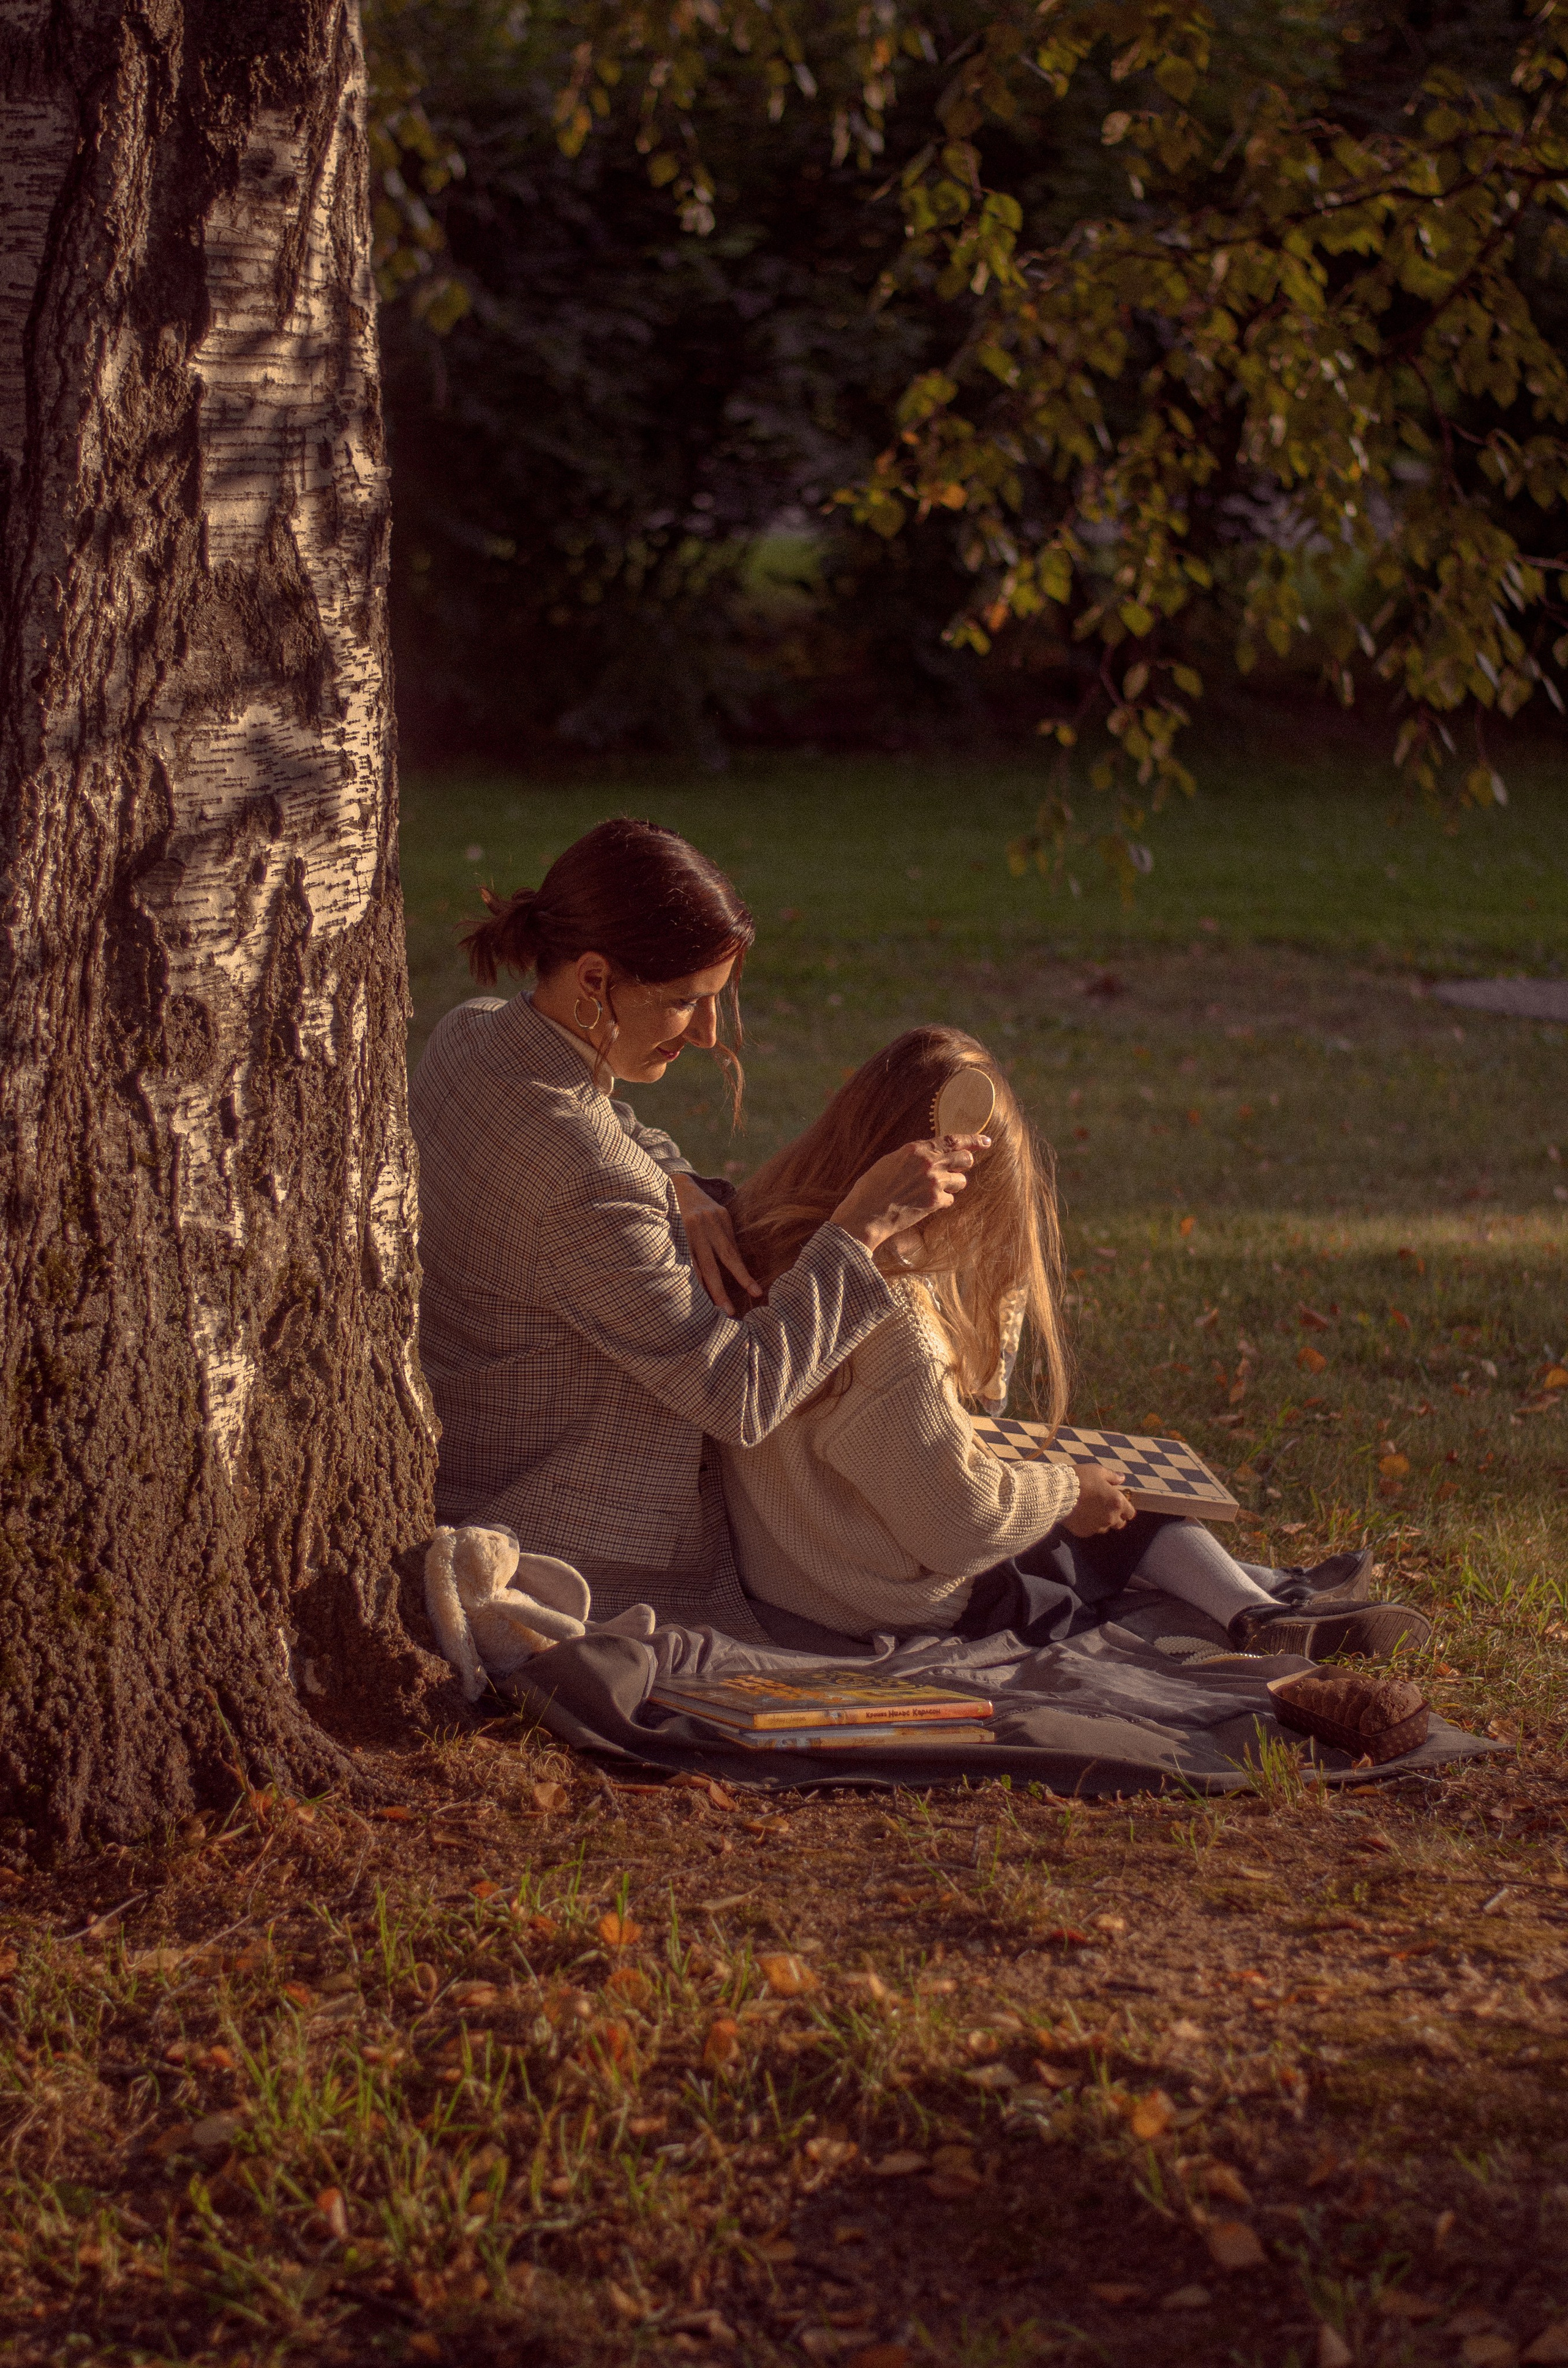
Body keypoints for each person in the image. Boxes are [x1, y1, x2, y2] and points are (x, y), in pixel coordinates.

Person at [409, 819, 981, 1634]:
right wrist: (860, 1227)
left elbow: (604, 1126)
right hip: (567, 1538)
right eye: (684, 1000)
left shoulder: (470, 1035)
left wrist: (676, 1181)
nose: (709, 1033)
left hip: (464, 1451)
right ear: (595, 977)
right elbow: (738, 1395)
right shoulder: (589, 1181)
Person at [719, 1027, 1432, 1659]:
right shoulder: (893, 1319)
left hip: (805, 1573)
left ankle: (1272, 1588)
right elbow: (962, 1523)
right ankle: (1256, 1611)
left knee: (1082, 1509)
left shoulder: (775, 1236)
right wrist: (1064, 1493)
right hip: (891, 1597)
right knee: (1117, 1505)